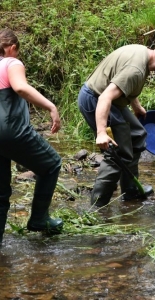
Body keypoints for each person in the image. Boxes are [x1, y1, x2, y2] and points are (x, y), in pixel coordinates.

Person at [78, 42, 155, 207]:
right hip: (95, 100)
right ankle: (98, 206)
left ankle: (130, 191)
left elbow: (121, 83)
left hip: (112, 101)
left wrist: (136, 106)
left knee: (137, 135)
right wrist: (101, 133)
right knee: (117, 152)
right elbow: (105, 97)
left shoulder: (142, 53)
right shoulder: (136, 70)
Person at [0, 28, 63, 244]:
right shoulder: (11, 63)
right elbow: (20, 88)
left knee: (0, 194)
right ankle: (39, 219)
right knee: (52, 164)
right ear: (12, 48)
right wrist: (51, 106)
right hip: (9, 132)